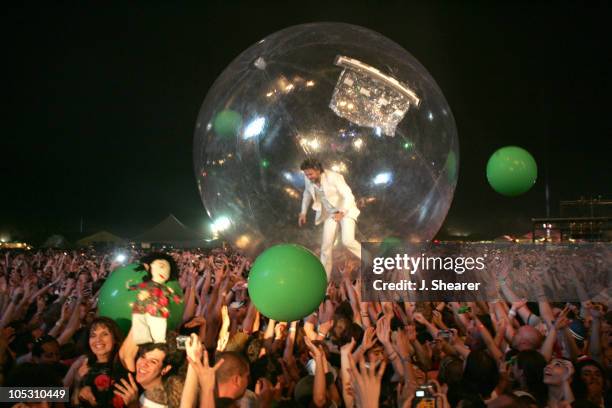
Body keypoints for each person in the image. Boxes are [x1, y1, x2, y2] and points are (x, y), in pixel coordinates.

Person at [298, 158, 361, 278]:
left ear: (317, 170)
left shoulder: (334, 177)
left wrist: (342, 212)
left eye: (310, 174)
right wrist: (303, 212)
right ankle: (324, 278)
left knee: (347, 241)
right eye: (306, 174)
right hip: (330, 214)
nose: (308, 177)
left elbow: (348, 195)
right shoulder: (308, 178)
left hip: (345, 209)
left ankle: (372, 261)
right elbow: (307, 193)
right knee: (325, 247)